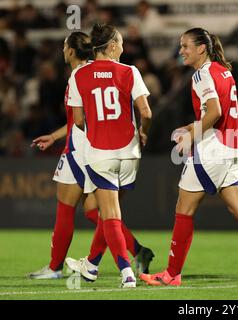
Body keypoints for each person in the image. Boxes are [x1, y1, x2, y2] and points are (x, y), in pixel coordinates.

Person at [139, 28, 238, 287]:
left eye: (185, 46)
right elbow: (219, 113)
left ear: (201, 48)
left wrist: (192, 135)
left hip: (212, 151)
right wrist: (191, 127)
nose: (181, 51)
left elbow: (215, 112)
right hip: (233, 147)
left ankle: (172, 274)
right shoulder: (224, 71)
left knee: (184, 208)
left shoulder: (202, 75)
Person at [28, 32, 154, 280]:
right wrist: (54, 137)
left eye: (64, 46)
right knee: (93, 210)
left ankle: (56, 268)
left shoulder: (81, 75)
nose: (62, 50)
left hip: (86, 149)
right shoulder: (90, 73)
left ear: (72, 51)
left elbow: (82, 121)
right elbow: (77, 119)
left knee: (67, 206)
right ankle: (135, 253)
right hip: (102, 148)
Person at [64, 24, 153, 288]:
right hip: (129, 153)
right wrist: (143, 132)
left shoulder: (79, 75)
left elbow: (78, 120)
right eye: (121, 43)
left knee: (109, 213)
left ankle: (126, 272)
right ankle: (91, 265)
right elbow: (146, 112)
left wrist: (95, 125)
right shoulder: (130, 71)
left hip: (100, 152)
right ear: (112, 46)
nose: (123, 48)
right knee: (107, 214)